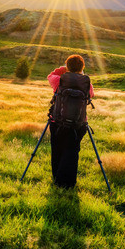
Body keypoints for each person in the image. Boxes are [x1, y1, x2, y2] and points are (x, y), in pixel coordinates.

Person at [46, 54, 94, 189]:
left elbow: (50, 75)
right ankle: (68, 183)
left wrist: (63, 69)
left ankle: (57, 180)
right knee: (72, 151)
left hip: (58, 122)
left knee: (57, 149)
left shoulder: (59, 80)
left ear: (67, 67)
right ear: (82, 67)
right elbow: (92, 94)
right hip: (78, 124)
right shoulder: (87, 83)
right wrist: (81, 75)